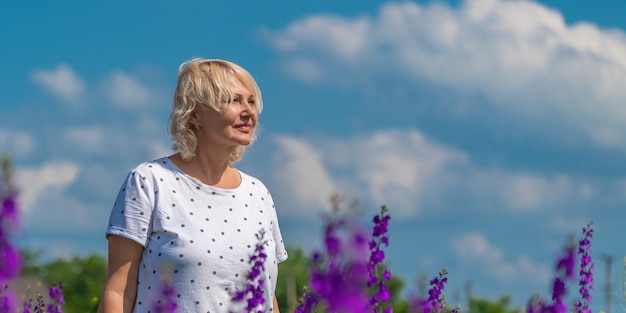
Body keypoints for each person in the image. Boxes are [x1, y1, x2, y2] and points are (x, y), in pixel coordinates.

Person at [97, 58, 288, 313]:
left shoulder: (258, 194)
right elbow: (118, 291)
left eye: (251, 101)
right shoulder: (149, 182)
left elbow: (267, 296)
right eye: (233, 100)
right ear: (195, 113)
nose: (248, 111)